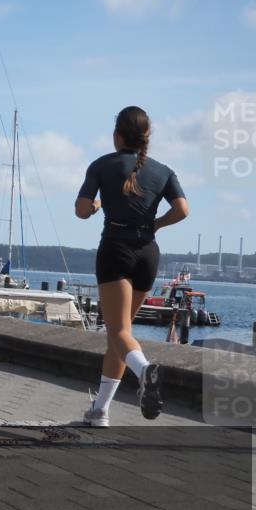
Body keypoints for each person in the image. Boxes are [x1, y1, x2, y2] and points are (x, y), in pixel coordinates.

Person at [75, 106, 189, 426]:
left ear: (117, 136)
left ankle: (144, 372)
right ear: (146, 137)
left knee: (119, 331)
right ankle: (100, 411)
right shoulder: (163, 171)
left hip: (116, 250)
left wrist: (97, 204)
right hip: (147, 254)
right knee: (119, 334)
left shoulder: (101, 165)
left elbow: (81, 210)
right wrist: (156, 224)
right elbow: (183, 209)